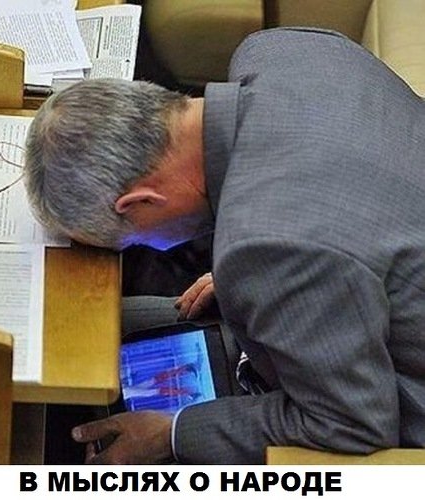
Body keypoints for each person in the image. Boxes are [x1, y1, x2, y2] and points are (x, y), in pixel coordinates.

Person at [24, 27, 425, 464]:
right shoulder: (279, 49)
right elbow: (339, 216)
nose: (152, 248)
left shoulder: (268, 247)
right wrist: (278, 285)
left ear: (141, 202)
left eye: (134, 240)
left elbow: (352, 427)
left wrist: (173, 435)